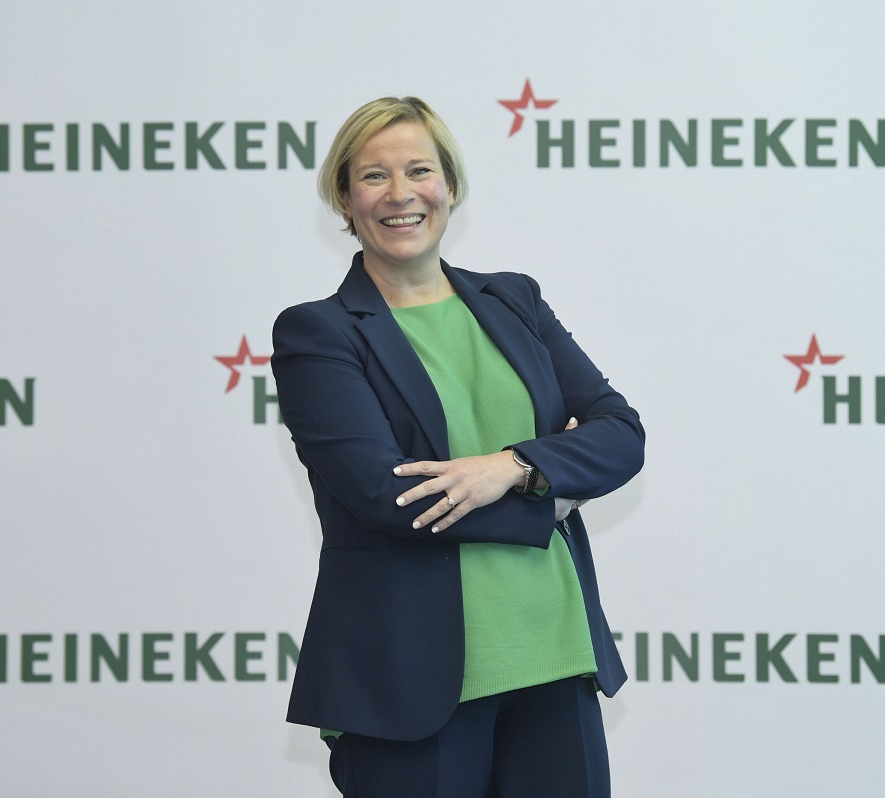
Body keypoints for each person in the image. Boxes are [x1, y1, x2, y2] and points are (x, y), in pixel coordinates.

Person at [270, 96, 645, 798]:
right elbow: (387, 496)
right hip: (409, 679)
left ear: (450, 185)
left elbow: (619, 433)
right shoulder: (318, 333)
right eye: (374, 176)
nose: (400, 193)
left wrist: (513, 467)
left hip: (555, 652)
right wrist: (549, 500)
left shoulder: (514, 301)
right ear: (345, 199)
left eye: (419, 170)